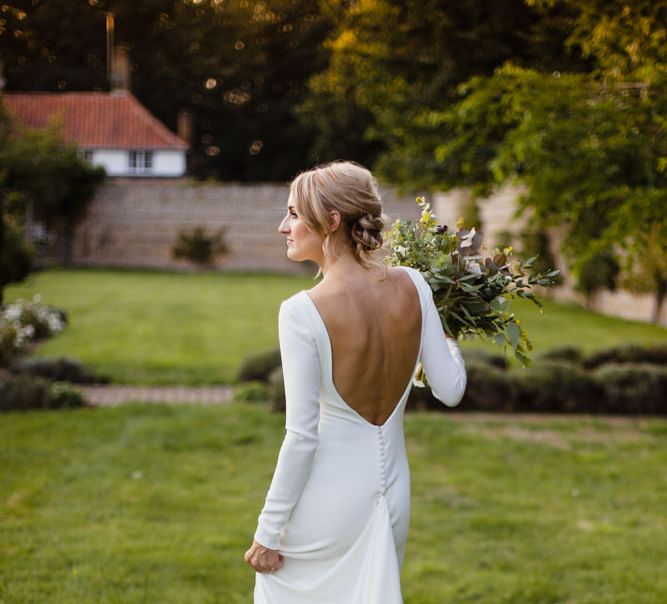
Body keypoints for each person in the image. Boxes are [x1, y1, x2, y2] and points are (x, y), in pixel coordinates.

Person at [244, 161, 467, 603]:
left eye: (293, 213)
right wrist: (448, 337)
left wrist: (268, 533)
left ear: (330, 221)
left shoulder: (301, 311)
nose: (282, 226)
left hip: (326, 504)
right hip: (392, 497)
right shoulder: (416, 285)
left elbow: (302, 437)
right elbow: (451, 389)